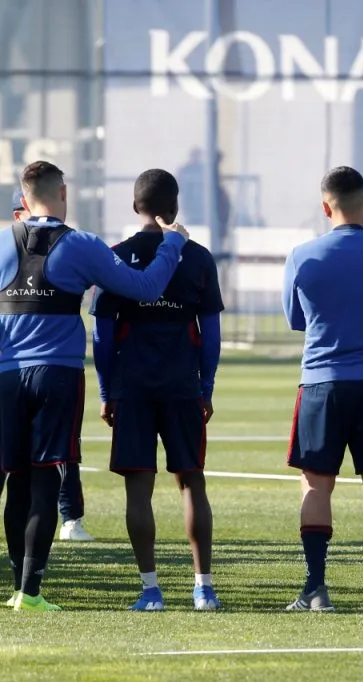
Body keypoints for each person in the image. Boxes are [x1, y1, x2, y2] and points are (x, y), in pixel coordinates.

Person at [0, 161, 188, 611]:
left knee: (15, 481)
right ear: (63, 193)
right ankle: (30, 592)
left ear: (23, 200)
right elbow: (143, 287)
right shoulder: (80, 244)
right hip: (57, 375)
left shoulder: (3, 239)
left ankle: (16, 587)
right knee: (47, 479)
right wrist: (173, 244)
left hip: (6, 375)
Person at [90, 169, 225, 611]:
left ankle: (151, 591)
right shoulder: (200, 258)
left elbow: (103, 338)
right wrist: (206, 387)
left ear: (135, 207)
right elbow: (212, 334)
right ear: (176, 207)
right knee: (192, 484)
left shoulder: (115, 257)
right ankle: (203, 588)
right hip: (183, 386)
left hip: (133, 388)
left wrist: (107, 389)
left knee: (138, 491)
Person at [283, 166, 363, 611]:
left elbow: (295, 320)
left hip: (321, 383)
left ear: (325, 206)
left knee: (316, 487)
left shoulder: (302, 255)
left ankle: (316, 589)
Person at [10, 187, 94, 542]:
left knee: (61, 450)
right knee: (19, 465)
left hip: (45, 369)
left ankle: (70, 518)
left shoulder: (65, 246)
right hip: (20, 370)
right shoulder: (11, 246)